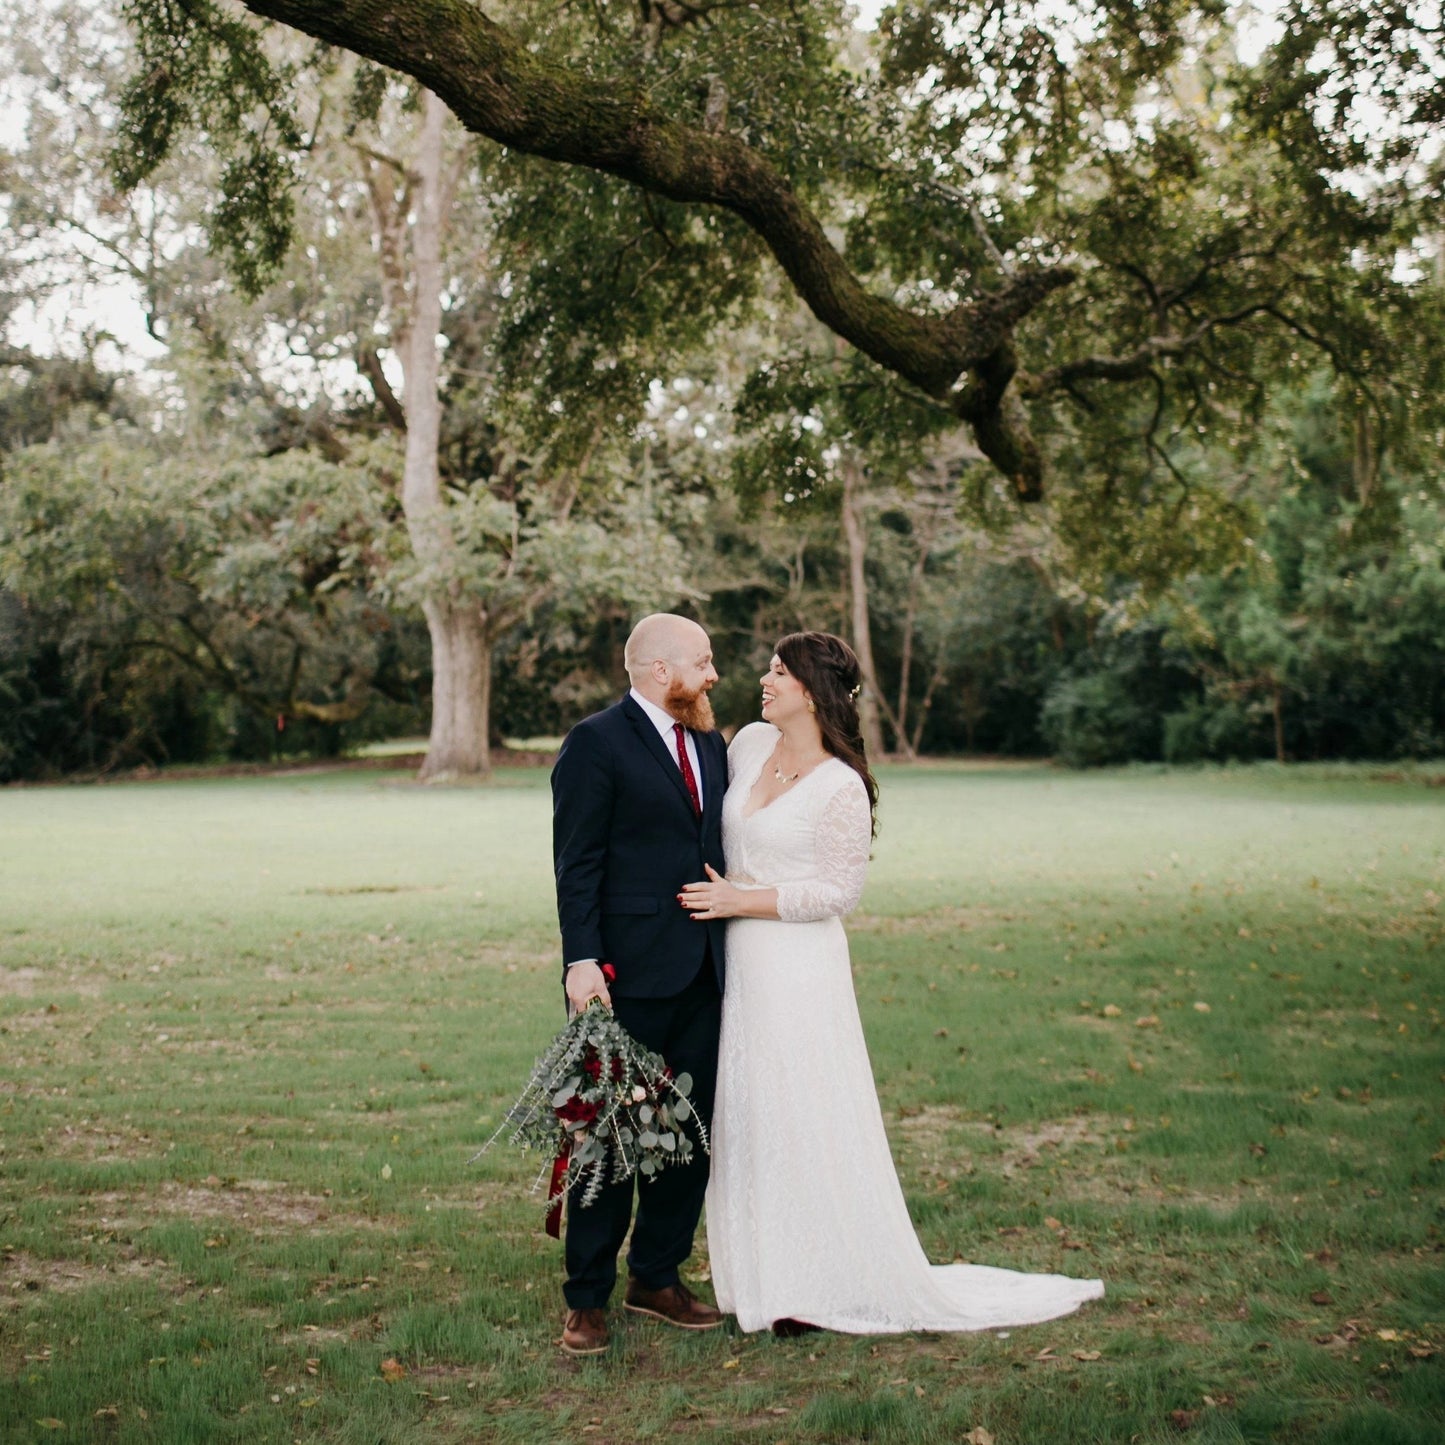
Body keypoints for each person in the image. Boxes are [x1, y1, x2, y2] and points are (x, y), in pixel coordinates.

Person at [680, 631, 1104, 1334]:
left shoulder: (840, 785)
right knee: (753, 1116)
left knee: (804, 1115)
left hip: (798, 968)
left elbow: (837, 891)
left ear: (811, 692)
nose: (764, 678)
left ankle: (819, 1282)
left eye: (779, 671)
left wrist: (739, 900)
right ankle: (767, 1276)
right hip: (739, 966)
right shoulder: (748, 743)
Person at [550, 613, 730, 1355]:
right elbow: (577, 861)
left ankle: (656, 1275)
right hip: (622, 974)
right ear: (661, 669)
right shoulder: (595, 742)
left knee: (687, 1134)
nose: (713, 673)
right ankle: (586, 1297)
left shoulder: (710, 743)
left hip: (706, 970)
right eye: (704, 661)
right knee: (607, 1137)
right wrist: (581, 958)